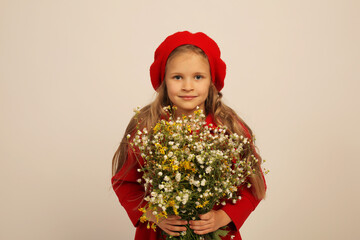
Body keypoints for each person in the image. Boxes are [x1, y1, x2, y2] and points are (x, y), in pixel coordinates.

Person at [111, 31, 267, 240]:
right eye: (177, 77)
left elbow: (254, 184)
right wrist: (154, 214)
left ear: (212, 80)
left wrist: (223, 216)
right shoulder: (147, 126)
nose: (187, 86)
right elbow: (125, 184)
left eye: (198, 77)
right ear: (164, 80)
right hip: (161, 233)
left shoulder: (229, 128)